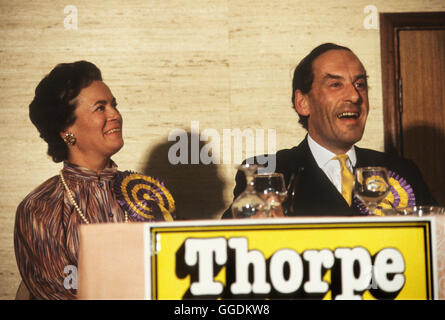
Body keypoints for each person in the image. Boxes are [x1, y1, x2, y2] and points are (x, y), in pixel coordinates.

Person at [14, 61, 175, 299]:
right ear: (67, 130)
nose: (115, 115)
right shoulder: (41, 208)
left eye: (114, 105)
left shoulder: (145, 192)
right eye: (100, 108)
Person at [222, 43, 437, 219]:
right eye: (335, 84)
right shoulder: (267, 174)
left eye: (360, 84)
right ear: (303, 103)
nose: (354, 96)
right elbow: (229, 253)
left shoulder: (402, 171)